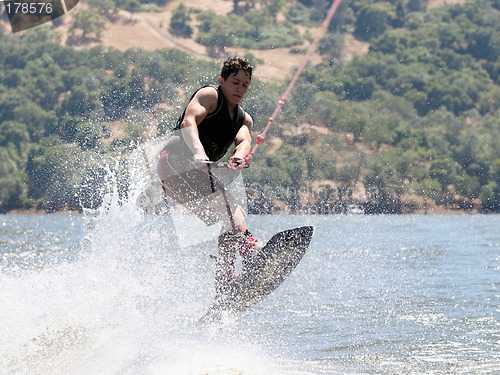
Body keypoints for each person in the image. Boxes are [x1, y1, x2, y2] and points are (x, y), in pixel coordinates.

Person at [156, 57, 259, 301]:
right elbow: (189, 121)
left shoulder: (243, 119)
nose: (239, 89)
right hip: (173, 163)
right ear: (221, 80)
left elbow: (244, 141)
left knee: (232, 217)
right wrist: (198, 152)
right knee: (229, 206)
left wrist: (239, 157)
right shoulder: (209, 96)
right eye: (235, 82)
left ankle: (225, 279)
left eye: (245, 85)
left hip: (194, 174)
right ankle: (251, 250)